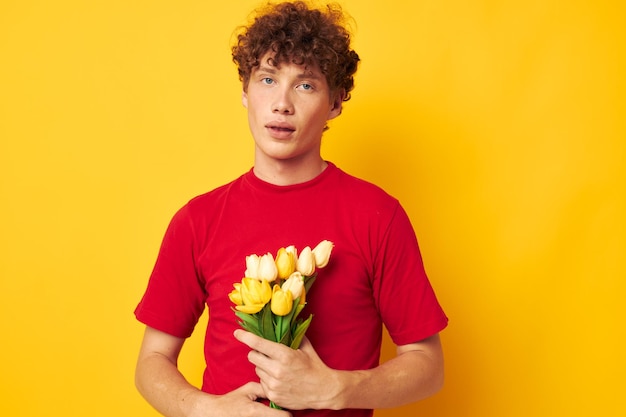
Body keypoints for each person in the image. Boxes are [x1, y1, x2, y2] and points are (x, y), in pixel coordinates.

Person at [134, 2, 448, 417]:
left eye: (305, 86)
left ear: (336, 102)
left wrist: (338, 388)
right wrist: (203, 410)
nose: (282, 104)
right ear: (245, 92)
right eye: (267, 79)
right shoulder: (197, 220)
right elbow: (151, 360)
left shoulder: (378, 215)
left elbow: (428, 366)